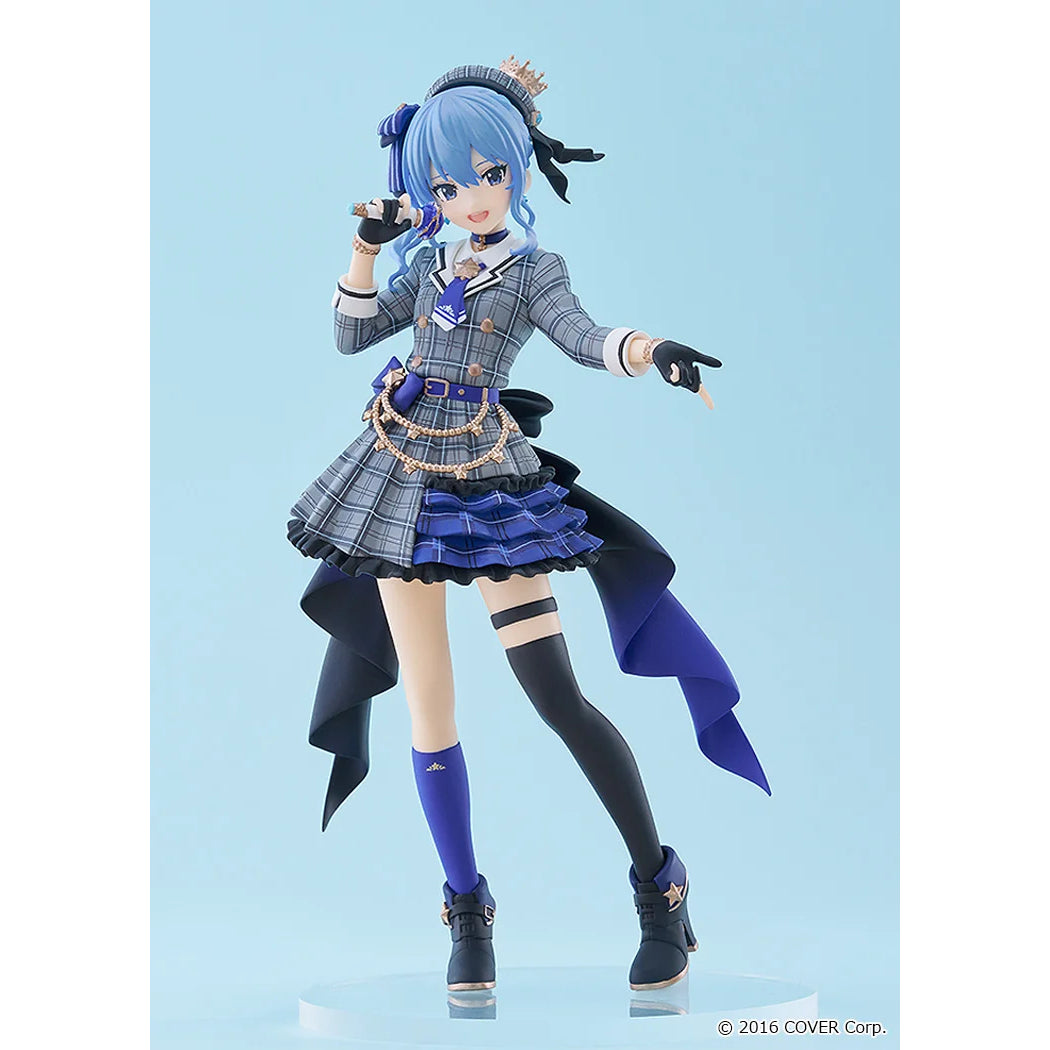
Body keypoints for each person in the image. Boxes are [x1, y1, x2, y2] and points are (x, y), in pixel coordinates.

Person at [288, 58, 769, 994]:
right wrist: (364, 252)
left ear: (515, 166)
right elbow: (351, 334)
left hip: (490, 486)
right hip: (401, 483)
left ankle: (660, 886)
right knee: (430, 708)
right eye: (446, 186)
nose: (471, 198)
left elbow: (583, 336)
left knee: (555, 695)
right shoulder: (427, 267)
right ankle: (467, 911)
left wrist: (652, 351)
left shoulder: (533, 270)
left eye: (489, 174)